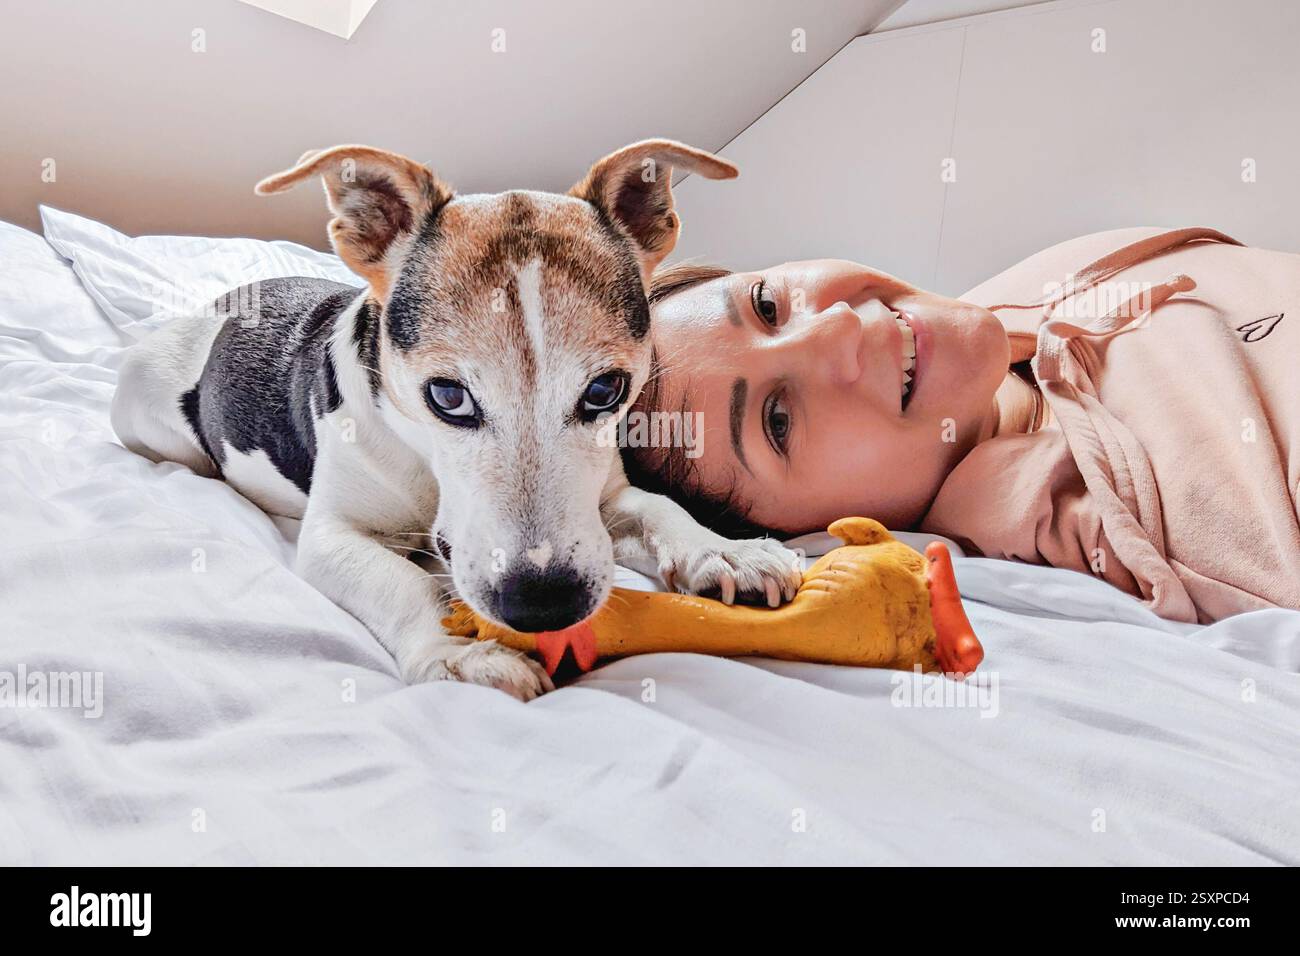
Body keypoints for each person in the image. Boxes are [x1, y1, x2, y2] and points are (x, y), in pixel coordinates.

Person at [622, 227, 1300, 624]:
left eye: (766, 305)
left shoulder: (1042, 289)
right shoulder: (1145, 516)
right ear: (805, 538)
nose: (834, 330)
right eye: (776, 420)